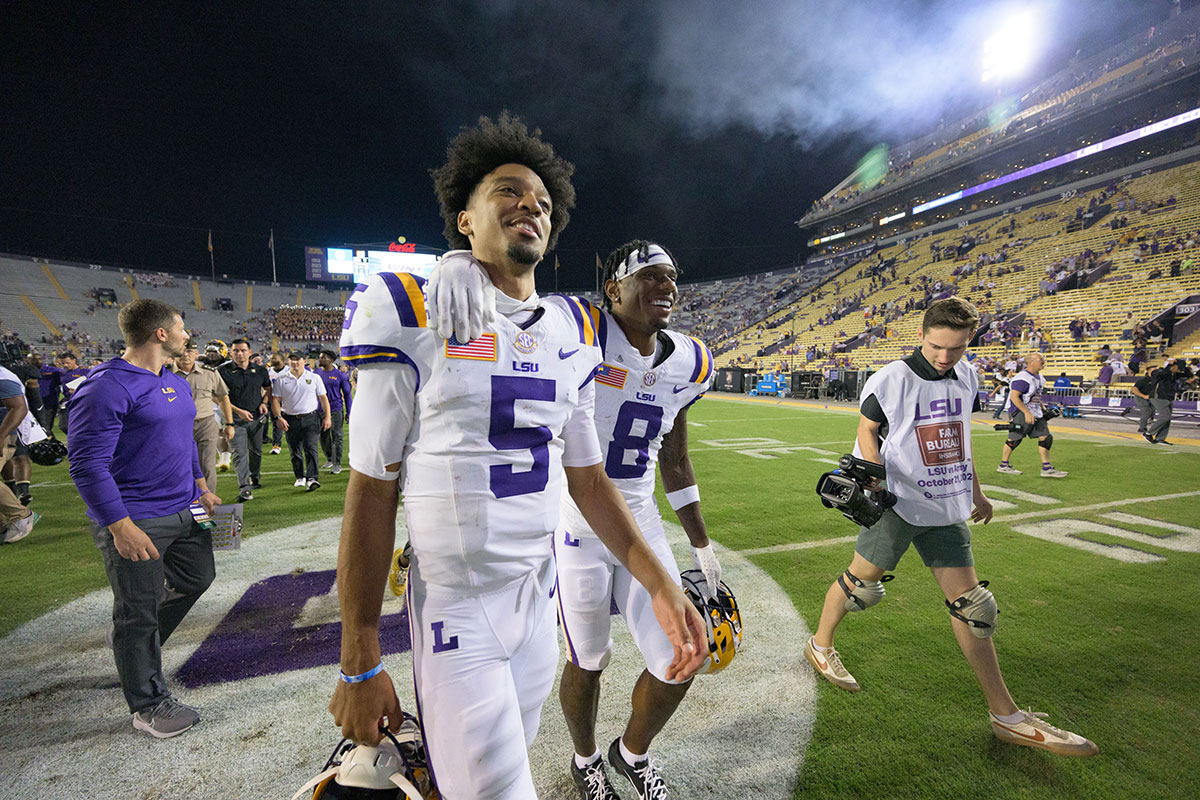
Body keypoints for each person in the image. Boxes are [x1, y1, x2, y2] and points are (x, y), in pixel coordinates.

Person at [329, 113, 706, 800]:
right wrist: (358, 661)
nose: (529, 204)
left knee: (508, 762)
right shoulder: (411, 308)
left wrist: (658, 580)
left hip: (536, 604)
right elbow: (371, 490)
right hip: (455, 606)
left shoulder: (572, 329)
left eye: (541, 200)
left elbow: (589, 482)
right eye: (506, 191)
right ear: (465, 218)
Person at [804, 297, 1097, 757]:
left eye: (956, 348)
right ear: (923, 335)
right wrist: (877, 482)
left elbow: (959, 436)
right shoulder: (891, 378)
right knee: (861, 585)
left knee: (974, 608)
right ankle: (820, 645)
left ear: (968, 343)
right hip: (898, 503)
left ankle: (1006, 716)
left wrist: (976, 491)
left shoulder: (968, 374)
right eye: (937, 346)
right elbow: (866, 432)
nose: (944, 356)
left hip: (947, 503)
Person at [555, 242, 719, 799]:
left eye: (671, 276)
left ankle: (632, 753)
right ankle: (585, 759)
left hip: (641, 514)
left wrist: (700, 545)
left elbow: (673, 457)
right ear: (612, 289)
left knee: (685, 654)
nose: (665, 285)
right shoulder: (578, 333)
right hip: (576, 519)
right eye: (648, 275)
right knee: (589, 656)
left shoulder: (690, 360)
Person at [67, 298, 221, 738]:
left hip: (186, 509)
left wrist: (202, 487)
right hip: (138, 518)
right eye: (181, 328)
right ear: (160, 334)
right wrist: (119, 525)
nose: (187, 335)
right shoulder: (106, 386)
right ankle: (148, 704)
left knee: (196, 578)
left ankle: (132, 649)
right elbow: (86, 465)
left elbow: (185, 438)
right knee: (137, 612)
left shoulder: (171, 380)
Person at [170, 341, 234, 494]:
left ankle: (208, 502)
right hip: (175, 426)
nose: (186, 354)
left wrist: (229, 423)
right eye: (182, 351)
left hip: (205, 424)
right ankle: (182, 502)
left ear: (196, 353)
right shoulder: (163, 373)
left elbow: (223, 397)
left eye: (190, 351)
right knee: (177, 465)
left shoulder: (210, 373)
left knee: (207, 465)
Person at [996, 352, 1067, 478]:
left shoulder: (1040, 377)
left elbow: (1035, 396)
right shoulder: (1022, 378)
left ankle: (1046, 468)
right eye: (1040, 360)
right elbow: (1014, 397)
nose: (1043, 362)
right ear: (1031, 362)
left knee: (1046, 437)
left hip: (1035, 412)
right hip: (1020, 411)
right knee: (1015, 439)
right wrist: (1026, 413)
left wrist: (1042, 408)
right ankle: (1003, 465)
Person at [218, 338, 272, 501]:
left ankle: (254, 477)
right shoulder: (223, 371)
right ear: (231, 352)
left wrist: (264, 402)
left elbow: (268, 388)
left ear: (249, 352)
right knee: (239, 453)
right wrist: (238, 411)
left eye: (242, 350)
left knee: (256, 452)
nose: (239, 354)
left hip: (257, 419)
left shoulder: (261, 370)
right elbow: (217, 397)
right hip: (234, 420)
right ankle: (245, 488)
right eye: (235, 350)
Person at [270, 351, 330, 491]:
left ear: (305, 360)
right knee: (295, 449)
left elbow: (323, 398)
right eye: (292, 360)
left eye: (298, 360)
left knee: (311, 448)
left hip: (311, 417)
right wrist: (279, 417)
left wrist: (327, 417)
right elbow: (275, 400)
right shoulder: (280, 379)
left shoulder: (314, 377)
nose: (295, 362)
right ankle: (300, 477)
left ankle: (312, 478)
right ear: (288, 362)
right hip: (290, 419)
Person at [0, 363, 40, 542]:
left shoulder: (3, 376)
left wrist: (1, 435)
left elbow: (19, 407)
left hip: (4, 435)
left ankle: (22, 516)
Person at [315, 350, 353, 474]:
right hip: (319, 410)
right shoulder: (316, 373)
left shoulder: (339, 375)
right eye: (320, 358)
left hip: (335, 409)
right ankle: (330, 458)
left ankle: (337, 464)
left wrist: (349, 412)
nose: (320, 360)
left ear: (331, 360)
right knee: (323, 436)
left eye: (323, 358)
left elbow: (347, 394)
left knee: (337, 436)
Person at [1143, 359, 1196, 445]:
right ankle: (1148, 433)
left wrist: (1183, 366)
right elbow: (1162, 374)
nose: (1178, 370)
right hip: (1158, 397)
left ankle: (1160, 438)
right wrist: (1169, 365)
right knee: (1165, 416)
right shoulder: (1158, 371)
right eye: (1178, 368)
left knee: (1167, 419)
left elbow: (1188, 375)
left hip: (1168, 398)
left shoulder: (1173, 374)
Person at [58, 352, 90, 435]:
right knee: (63, 426)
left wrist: (80, 390)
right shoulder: (61, 373)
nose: (65, 365)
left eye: (67, 363)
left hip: (83, 401)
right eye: (63, 363)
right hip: (68, 401)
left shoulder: (86, 372)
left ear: (74, 360)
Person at [266, 351, 286, 455]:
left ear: (282, 360)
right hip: (273, 401)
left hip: (287, 401)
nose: (272, 360)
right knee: (276, 422)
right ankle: (276, 445)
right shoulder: (268, 371)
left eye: (274, 358)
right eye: (271, 358)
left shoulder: (289, 371)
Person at [1130, 368, 1157, 434]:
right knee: (1147, 411)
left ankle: (1130, 410)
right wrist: (1143, 396)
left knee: (1152, 411)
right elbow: (1133, 389)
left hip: (1151, 398)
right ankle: (1142, 427)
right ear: (1148, 372)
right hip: (1140, 397)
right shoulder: (1143, 380)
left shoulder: (1157, 380)